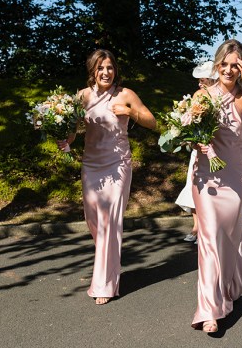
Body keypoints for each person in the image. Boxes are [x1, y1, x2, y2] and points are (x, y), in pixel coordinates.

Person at [57, 49, 157, 305]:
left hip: (118, 164)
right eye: (101, 68)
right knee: (94, 221)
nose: (106, 72)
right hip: (91, 165)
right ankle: (110, 264)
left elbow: (152, 121)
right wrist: (64, 139)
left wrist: (130, 112)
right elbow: (73, 131)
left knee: (110, 222)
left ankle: (105, 283)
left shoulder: (125, 94)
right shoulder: (82, 96)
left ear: (115, 70)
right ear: (93, 70)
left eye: (110, 67)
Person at [190, 39, 242, 334]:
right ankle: (208, 309)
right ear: (217, 63)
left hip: (236, 177)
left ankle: (230, 289)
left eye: (237, 65)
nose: (230, 69)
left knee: (231, 238)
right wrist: (195, 139)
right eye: (226, 63)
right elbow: (188, 133)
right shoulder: (203, 95)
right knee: (209, 238)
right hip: (207, 178)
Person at [175, 61, 218, 244]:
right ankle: (196, 227)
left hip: (216, 150)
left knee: (213, 190)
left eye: (203, 80)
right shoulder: (198, 95)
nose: (199, 84)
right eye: (199, 81)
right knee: (193, 187)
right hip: (198, 149)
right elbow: (191, 121)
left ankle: (209, 229)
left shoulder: (219, 98)